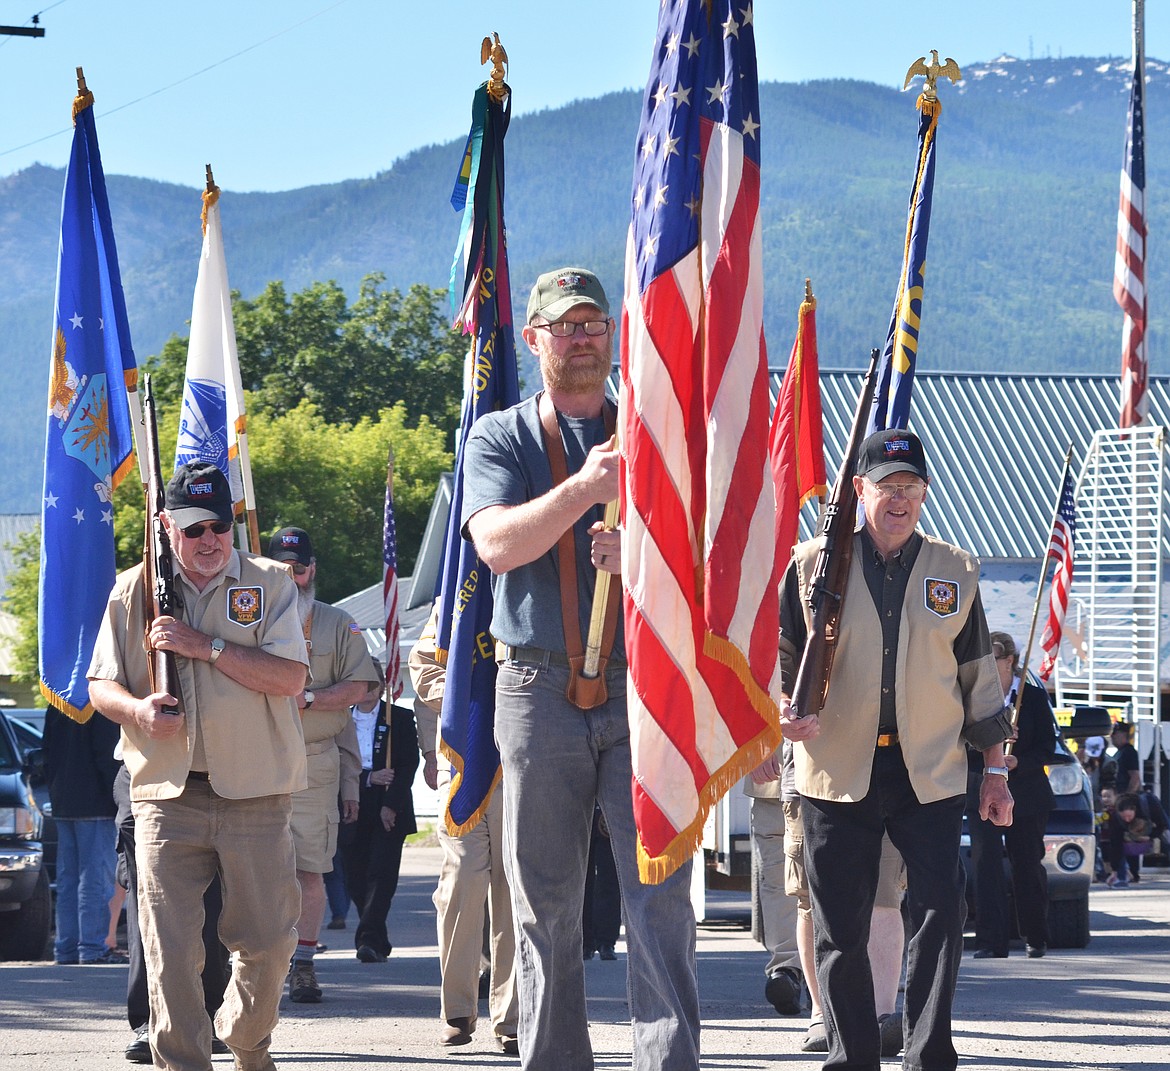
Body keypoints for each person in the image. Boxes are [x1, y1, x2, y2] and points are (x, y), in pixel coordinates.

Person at [462, 266, 700, 1070]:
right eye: (565, 326)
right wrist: (586, 489)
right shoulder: (500, 436)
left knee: (660, 894)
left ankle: (668, 1062)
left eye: (595, 324)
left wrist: (638, 552)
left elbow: (701, 558)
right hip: (536, 687)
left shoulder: (655, 428)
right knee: (545, 901)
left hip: (644, 686)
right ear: (534, 339)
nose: (583, 338)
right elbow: (496, 544)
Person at [776, 428, 1014, 1071]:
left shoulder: (954, 570)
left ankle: (928, 1051)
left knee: (940, 911)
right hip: (836, 766)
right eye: (887, 487)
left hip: (929, 771)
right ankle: (853, 1055)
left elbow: (978, 680)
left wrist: (995, 774)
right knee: (839, 926)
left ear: (925, 494)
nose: (900, 500)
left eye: (911, 488)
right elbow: (782, 661)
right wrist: (782, 713)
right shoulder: (812, 565)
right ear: (860, 490)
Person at [87, 461, 309, 1071]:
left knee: (266, 942)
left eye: (220, 525)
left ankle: (242, 1032)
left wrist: (203, 646)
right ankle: (183, 1061)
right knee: (170, 950)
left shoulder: (270, 582)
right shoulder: (133, 589)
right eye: (193, 529)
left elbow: (290, 678)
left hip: (256, 794)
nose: (210, 539)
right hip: (164, 794)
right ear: (166, 527)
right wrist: (138, 710)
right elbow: (100, 684)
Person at [266, 526, 380, 1004]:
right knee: (250, 868)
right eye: (281, 569)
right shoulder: (248, 615)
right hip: (257, 761)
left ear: (311, 570)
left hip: (315, 763)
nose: (290, 577)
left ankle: (304, 966)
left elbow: (362, 688)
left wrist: (308, 697)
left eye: (298, 568)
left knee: (309, 870)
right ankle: (257, 963)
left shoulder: (339, 623)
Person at [409, 606, 519, 1055]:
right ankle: (457, 1009)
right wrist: (466, 697)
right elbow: (422, 665)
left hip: (519, 760)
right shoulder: (458, 593)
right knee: (461, 885)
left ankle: (511, 1019)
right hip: (466, 763)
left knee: (513, 890)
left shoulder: (536, 583)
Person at [753, 741, 907, 1057]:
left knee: (884, 895)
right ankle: (823, 1016)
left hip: (885, 762)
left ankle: (880, 1017)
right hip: (810, 768)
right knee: (811, 898)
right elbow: (767, 691)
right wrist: (759, 743)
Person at [967, 631, 1059, 959]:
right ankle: (992, 942)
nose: (987, 668)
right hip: (983, 789)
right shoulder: (974, 699)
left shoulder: (1032, 698)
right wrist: (986, 750)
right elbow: (959, 743)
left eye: (993, 660)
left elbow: (1049, 747)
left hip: (1027, 792)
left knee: (1026, 864)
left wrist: (1019, 759)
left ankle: (1035, 935)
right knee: (986, 864)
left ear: (1009, 661)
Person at [341, 661, 419, 963]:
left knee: (381, 875)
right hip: (352, 802)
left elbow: (407, 765)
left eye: (373, 683)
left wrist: (390, 804)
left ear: (382, 684)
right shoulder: (340, 719)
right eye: (361, 683)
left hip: (389, 805)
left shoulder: (397, 717)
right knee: (355, 878)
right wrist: (367, 778)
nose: (368, 690)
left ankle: (368, 940)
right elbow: (334, 762)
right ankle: (376, 936)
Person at [41, 703, 121, 965]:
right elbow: (106, 755)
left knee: (69, 880)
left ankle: (66, 949)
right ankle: (92, 947)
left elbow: (47, 752)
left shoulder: (58, 702)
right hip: (96, 801)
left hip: (64, 801)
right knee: (95, 878)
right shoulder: (99, 704)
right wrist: (118, 797)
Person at [1109, 722, 1141, 795]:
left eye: (1115, 733)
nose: (1112, 736)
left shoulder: (1129, 752)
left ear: (1123, 734)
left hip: (1124, 797)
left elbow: (1135, 777)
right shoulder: (1119, 752)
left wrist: (1128, 796)